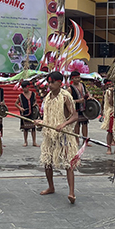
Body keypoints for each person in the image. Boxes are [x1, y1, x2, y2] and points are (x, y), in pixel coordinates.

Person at [38, 71, 78, 203]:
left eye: (52, 82)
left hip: (64, 134)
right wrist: (41, 122)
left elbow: (74, 116)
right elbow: (47, 117)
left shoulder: (66, 96)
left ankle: (71, 192)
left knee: (68, 162)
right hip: (50, 134)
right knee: (47, 161)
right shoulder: (47, 97)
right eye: (48, 82)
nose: (49, 85)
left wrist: (63, 124)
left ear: (60, 83)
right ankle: (51, 187)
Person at [17, 80, 38, 147]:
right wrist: (20, 108)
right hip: (24, 113)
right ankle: (25, 141)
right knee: (25, 128)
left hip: (32, 113)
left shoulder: (33, 94)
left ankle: (34, 142)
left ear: (28, 87)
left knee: (33, 128)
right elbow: (16, 103)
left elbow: (35, 101)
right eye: (23, 88)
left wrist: (35, 104)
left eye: (25, 87)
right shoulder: (20, 96)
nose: (24, 89)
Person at [100, 79, 115, 153]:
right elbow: (111, 103)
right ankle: (109, 148)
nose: (110, 86)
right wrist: (112, 93)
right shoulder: (108, 92)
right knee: (110, 131)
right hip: (112, 112)